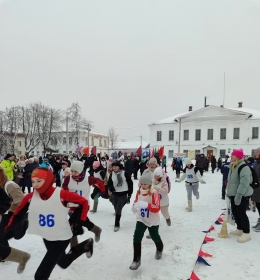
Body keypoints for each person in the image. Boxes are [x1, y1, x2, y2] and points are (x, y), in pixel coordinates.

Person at [4, 168, 94, 279]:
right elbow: (17, 215)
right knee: (63, 262)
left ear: (47, 180)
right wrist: (10, 228)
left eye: (39, 181)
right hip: (47, 235)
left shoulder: (61, 194)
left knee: (41, 275)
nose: (35, 185)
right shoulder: (30, 197)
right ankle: (86, 245)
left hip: (62, 236)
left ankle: (86, 245)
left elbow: (83, 202)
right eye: (33, 181)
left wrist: (78, 222)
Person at [62, 161, 102, 244]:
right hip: (72, 205)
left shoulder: (87, 179)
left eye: (75, 171)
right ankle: (96, 230)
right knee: (82, 221)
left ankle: (74, 247)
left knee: (73, 225)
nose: (73, 173)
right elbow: (64, 187)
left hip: (83, 206)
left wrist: (102, 189)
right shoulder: (68, 178)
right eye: (72, 171)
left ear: (80, 171)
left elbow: (98, 181)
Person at [129, 171, 163, 270]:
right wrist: (134, 206)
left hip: (152, 219)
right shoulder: (139, 191)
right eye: (142, 183)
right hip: (142, 218)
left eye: (145, 184)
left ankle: (160, 247)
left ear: (150, 184)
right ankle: (136, 260)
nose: (143, 186)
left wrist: (146, 205)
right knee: (137, 236)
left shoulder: (154, 193)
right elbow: (136, 200)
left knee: (154, 236)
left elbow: (157, 207)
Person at [0, 167, 30, 273]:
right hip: (5, 215)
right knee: (1, 236)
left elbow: (23, 203)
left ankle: (26, 223)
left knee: (17, 235)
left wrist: (6, 207)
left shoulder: (10, 186)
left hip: (15, 215)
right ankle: (4, 255)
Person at [226, 149, 253, 243]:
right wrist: (229, 192)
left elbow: (244, 182)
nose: (231, 156)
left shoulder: (243, 167)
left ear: (237, 157)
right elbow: (232, 182)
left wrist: (239, 195)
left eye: (233, 155)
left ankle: (246, 232)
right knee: (235, 212)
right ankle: (240, 228)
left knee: (241, 213)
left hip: (242, 194)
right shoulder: (233, 166)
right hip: (234, 194)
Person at [107, 161, 133, 231]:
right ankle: (123, 203)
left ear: (119, 167)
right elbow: (109, 183)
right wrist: (111, 188)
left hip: (123, 193)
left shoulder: (124, 173)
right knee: (116, 207)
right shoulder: (112, 174)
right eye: (113, 166)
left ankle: (116, 223)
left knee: (118, 209)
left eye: (116, 166)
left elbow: (130, 183)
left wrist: (130, 194)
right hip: (115, 193)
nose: (114, 168)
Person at [251, 148, 260, 231]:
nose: (255, 154)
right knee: (258, 205)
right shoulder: (256, 162)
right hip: (256, 188)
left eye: (256, 152)